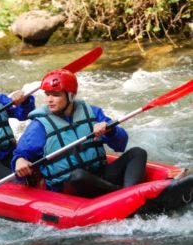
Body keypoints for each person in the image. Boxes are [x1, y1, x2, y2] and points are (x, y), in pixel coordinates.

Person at [12, 69, 147, 198]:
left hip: (99, 174)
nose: (49, 100)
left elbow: (121, 144)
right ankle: (126, 195)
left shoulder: (92, 113)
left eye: (56, 95)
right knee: (79, 176)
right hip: (70, 185)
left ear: (71, 95)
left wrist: (110, 130)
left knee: (137, 153)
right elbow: (21, 155)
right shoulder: (39, 125)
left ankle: (129, 194)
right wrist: (20, 161)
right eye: (47, 94)